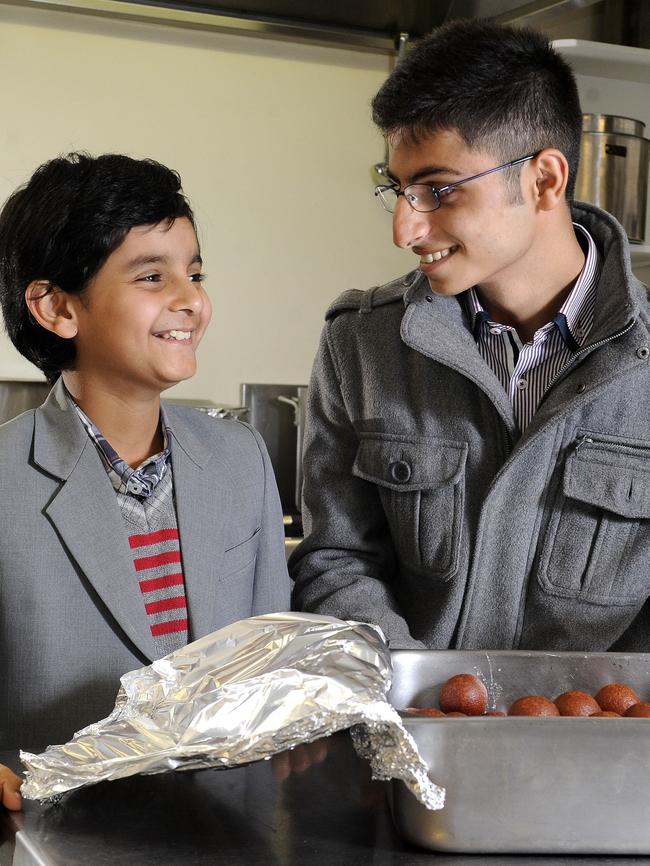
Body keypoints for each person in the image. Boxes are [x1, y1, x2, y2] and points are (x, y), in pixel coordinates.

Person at [290, 20, 650, 654]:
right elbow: (338, 559)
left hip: (603, 741)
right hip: (408, 733)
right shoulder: (363, 346)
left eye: (439, 190)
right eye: (398, 191)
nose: (405, 229)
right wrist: (419, 694)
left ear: (544, 179)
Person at [0, 153, 290, 809]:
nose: (191, 299)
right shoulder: (5, 483)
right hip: (56, 835)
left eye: (194, 273)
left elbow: (274, 660)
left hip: (227, 830)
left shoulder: (241, 459)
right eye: (152, 276)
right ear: (57, 308)